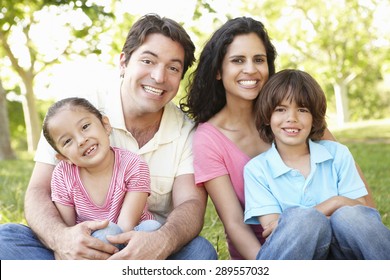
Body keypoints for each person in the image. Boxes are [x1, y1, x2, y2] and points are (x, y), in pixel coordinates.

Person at [0, 13, 217, 260]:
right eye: (148, 61)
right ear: (123, 62)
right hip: (79, 245)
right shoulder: (74, 113)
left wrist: (163, 241)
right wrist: (62, 240)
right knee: (5, 239)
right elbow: (38, 191)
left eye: (173, 68)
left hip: (146, 253)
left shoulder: (187, 131)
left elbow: (190, 203)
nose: (159, 76)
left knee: (200, 252)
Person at [180, 16, 375, 260]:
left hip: (333, 245)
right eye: (238, 60)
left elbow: (361, 204)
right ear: (218, 70)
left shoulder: (296, 116)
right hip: (269, 252)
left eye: (259, 60)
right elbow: (234, 224)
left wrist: (366, 234)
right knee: (304, 222)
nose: (250, 69)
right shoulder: (208, 138)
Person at [244, 69, 390, 259]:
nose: (292, 118)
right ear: (267, 117)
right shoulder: (257, 170)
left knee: (351, 217)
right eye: (281, 109)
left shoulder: (337, 153)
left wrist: (332, 207)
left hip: (344, 255)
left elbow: (361, 211)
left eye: (302, 110)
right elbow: (274, 230)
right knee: (305, 221)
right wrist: (334, 205)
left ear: (314, 118)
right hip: (292, 260)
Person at [42, 97, 161, 250]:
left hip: (133, 239)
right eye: (67, 141)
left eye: (85, 126)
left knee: (153, 227)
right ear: (64, 157)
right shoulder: (63, 175)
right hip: (90, 244)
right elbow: (69, 232)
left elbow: (125, 228)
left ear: (106, 125)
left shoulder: (133, 165)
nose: (81, 140)